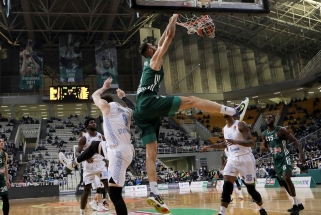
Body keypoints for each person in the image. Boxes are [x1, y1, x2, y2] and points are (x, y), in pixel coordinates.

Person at [134, 13, 249, 214]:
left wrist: (172, 19)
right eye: (153, 47)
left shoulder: (148, 64)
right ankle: (232, 111)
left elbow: (162, 39)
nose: (156, 47)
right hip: (148, 103)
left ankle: (153, 192)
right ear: (151, 51)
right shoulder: (154, 61)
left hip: (141, 112)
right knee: (192, 100)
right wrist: (175, 17)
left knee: (151, 152)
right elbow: (168, 38)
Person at [59, 78, 134, 215]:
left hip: (117, 153)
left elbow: (94, 96)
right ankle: (72, 164)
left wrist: (104, 87)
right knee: (94, 146)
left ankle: (73, 166)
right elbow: (133, 108)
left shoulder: (107, 107)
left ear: (105, 103)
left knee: (115, 194)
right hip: (125, 149)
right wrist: (124, 97)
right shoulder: (127, 111)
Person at [200, 115, 267, 215]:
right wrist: (210, 146)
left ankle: (262, 208)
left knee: (251, 190)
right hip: (232, 158)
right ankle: (222, 212)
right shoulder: (224, 129)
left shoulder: (241, 124)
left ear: (232, 113)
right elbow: (225, 144)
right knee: (227, 185)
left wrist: (235, 142)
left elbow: (251, 143)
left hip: (245, 157)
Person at [261, 115, 305, 215]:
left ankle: (295, 206)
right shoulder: (264, 134)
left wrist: (301, 154)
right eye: (267, 118)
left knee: (286, 177)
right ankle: (299, 204)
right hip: (276, 161)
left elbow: (295, 141)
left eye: (270, 117)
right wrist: (263, 149)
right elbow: (264, 148)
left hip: (286, 157)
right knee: (284, 183)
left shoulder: (280, 130)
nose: (268, 119)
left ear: (274, 120)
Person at [76, 117, 108, 214]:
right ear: (87, 126)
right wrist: (85, 157)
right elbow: (77, 153)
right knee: (86, 191)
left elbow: (107, 148)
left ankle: (106, 205)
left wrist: (107, 160)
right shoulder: (84, 138)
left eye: (94, 122)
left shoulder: (101, 136)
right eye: (91, 122)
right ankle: (82, 211)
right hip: (89, 167)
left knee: (108, 186)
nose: (94, 123)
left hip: (101, 164)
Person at [0, 139, 10, 215]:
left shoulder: (5, 154)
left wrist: (7, 179)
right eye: (0, 142)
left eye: (2, 142)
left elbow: (6, 167)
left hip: (2, 180)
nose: (2, 143)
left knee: (5, 198)